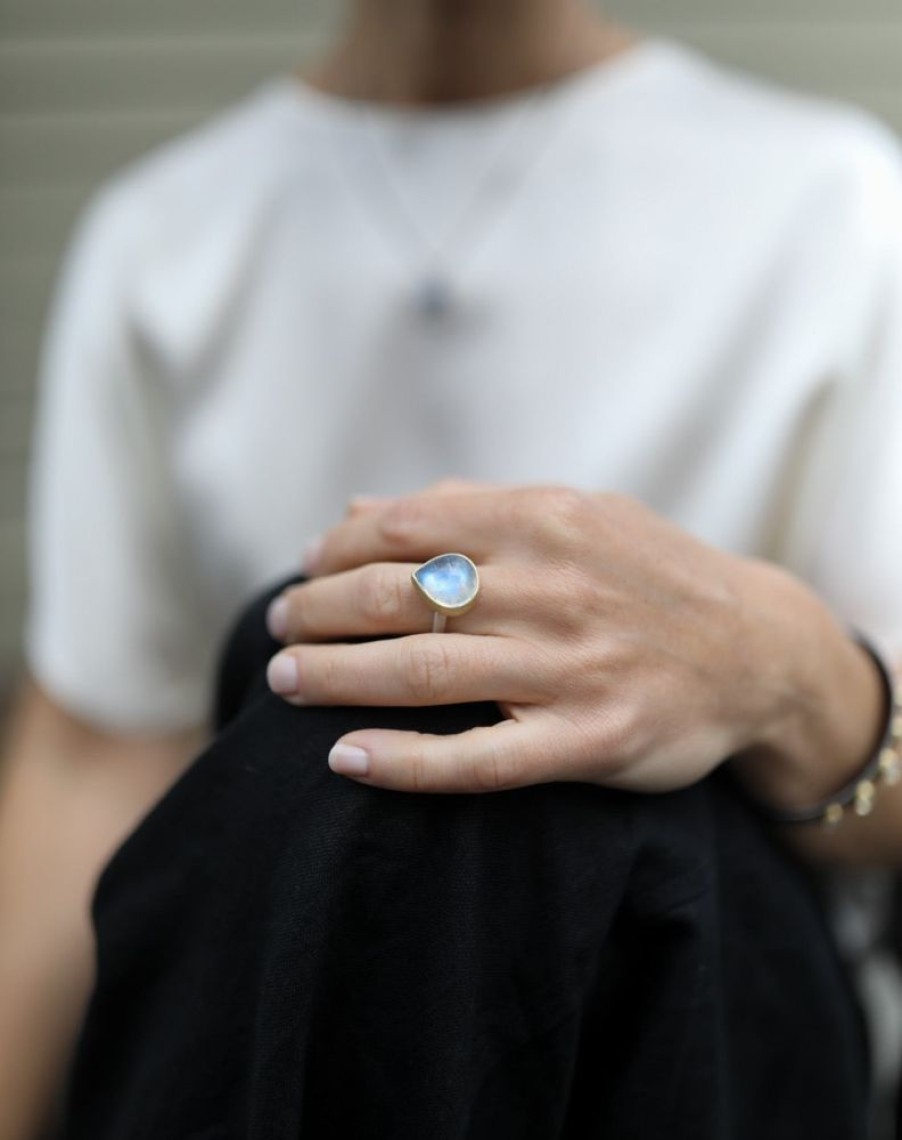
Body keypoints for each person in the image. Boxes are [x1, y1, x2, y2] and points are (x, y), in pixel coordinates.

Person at [2, 0, 902, 1133]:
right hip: (290, 1011)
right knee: (310, 701)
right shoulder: (163, 238)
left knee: (506, 793)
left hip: (693, 1026)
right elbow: (97, 751)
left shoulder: (834, 205)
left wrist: (775, 662)